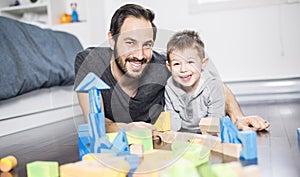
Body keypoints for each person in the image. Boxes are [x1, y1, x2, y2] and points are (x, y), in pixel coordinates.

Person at [74, 3, 270, 132]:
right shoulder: (89, 62)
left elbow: (212, 84)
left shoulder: (160, 65)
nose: (140, 55)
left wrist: (238, 117)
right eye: (130, 43)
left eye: (147, 44)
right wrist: (128, 128)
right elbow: (96, 124)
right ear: (111, 39)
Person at [164, 30, 225, 133]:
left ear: (203, 63)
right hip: (184, 135)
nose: (183, 69)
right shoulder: (170, 86)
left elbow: (215, 121)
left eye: (190, 62)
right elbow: (172, 120)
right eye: (176, 64)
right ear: (169, 67)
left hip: (210, 133)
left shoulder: (213, 86)